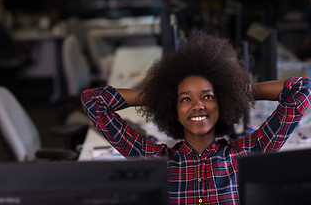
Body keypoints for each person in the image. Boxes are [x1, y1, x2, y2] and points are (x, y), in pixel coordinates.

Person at [81, 30, 311, 205]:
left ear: (222, 103)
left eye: (208, 97)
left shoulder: (245, 154)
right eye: (185, 99)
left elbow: (302, 90)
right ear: (174, 111)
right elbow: (94, 102)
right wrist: (159, 97)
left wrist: (241, 92)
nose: (198, 105)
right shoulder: (156, 161)